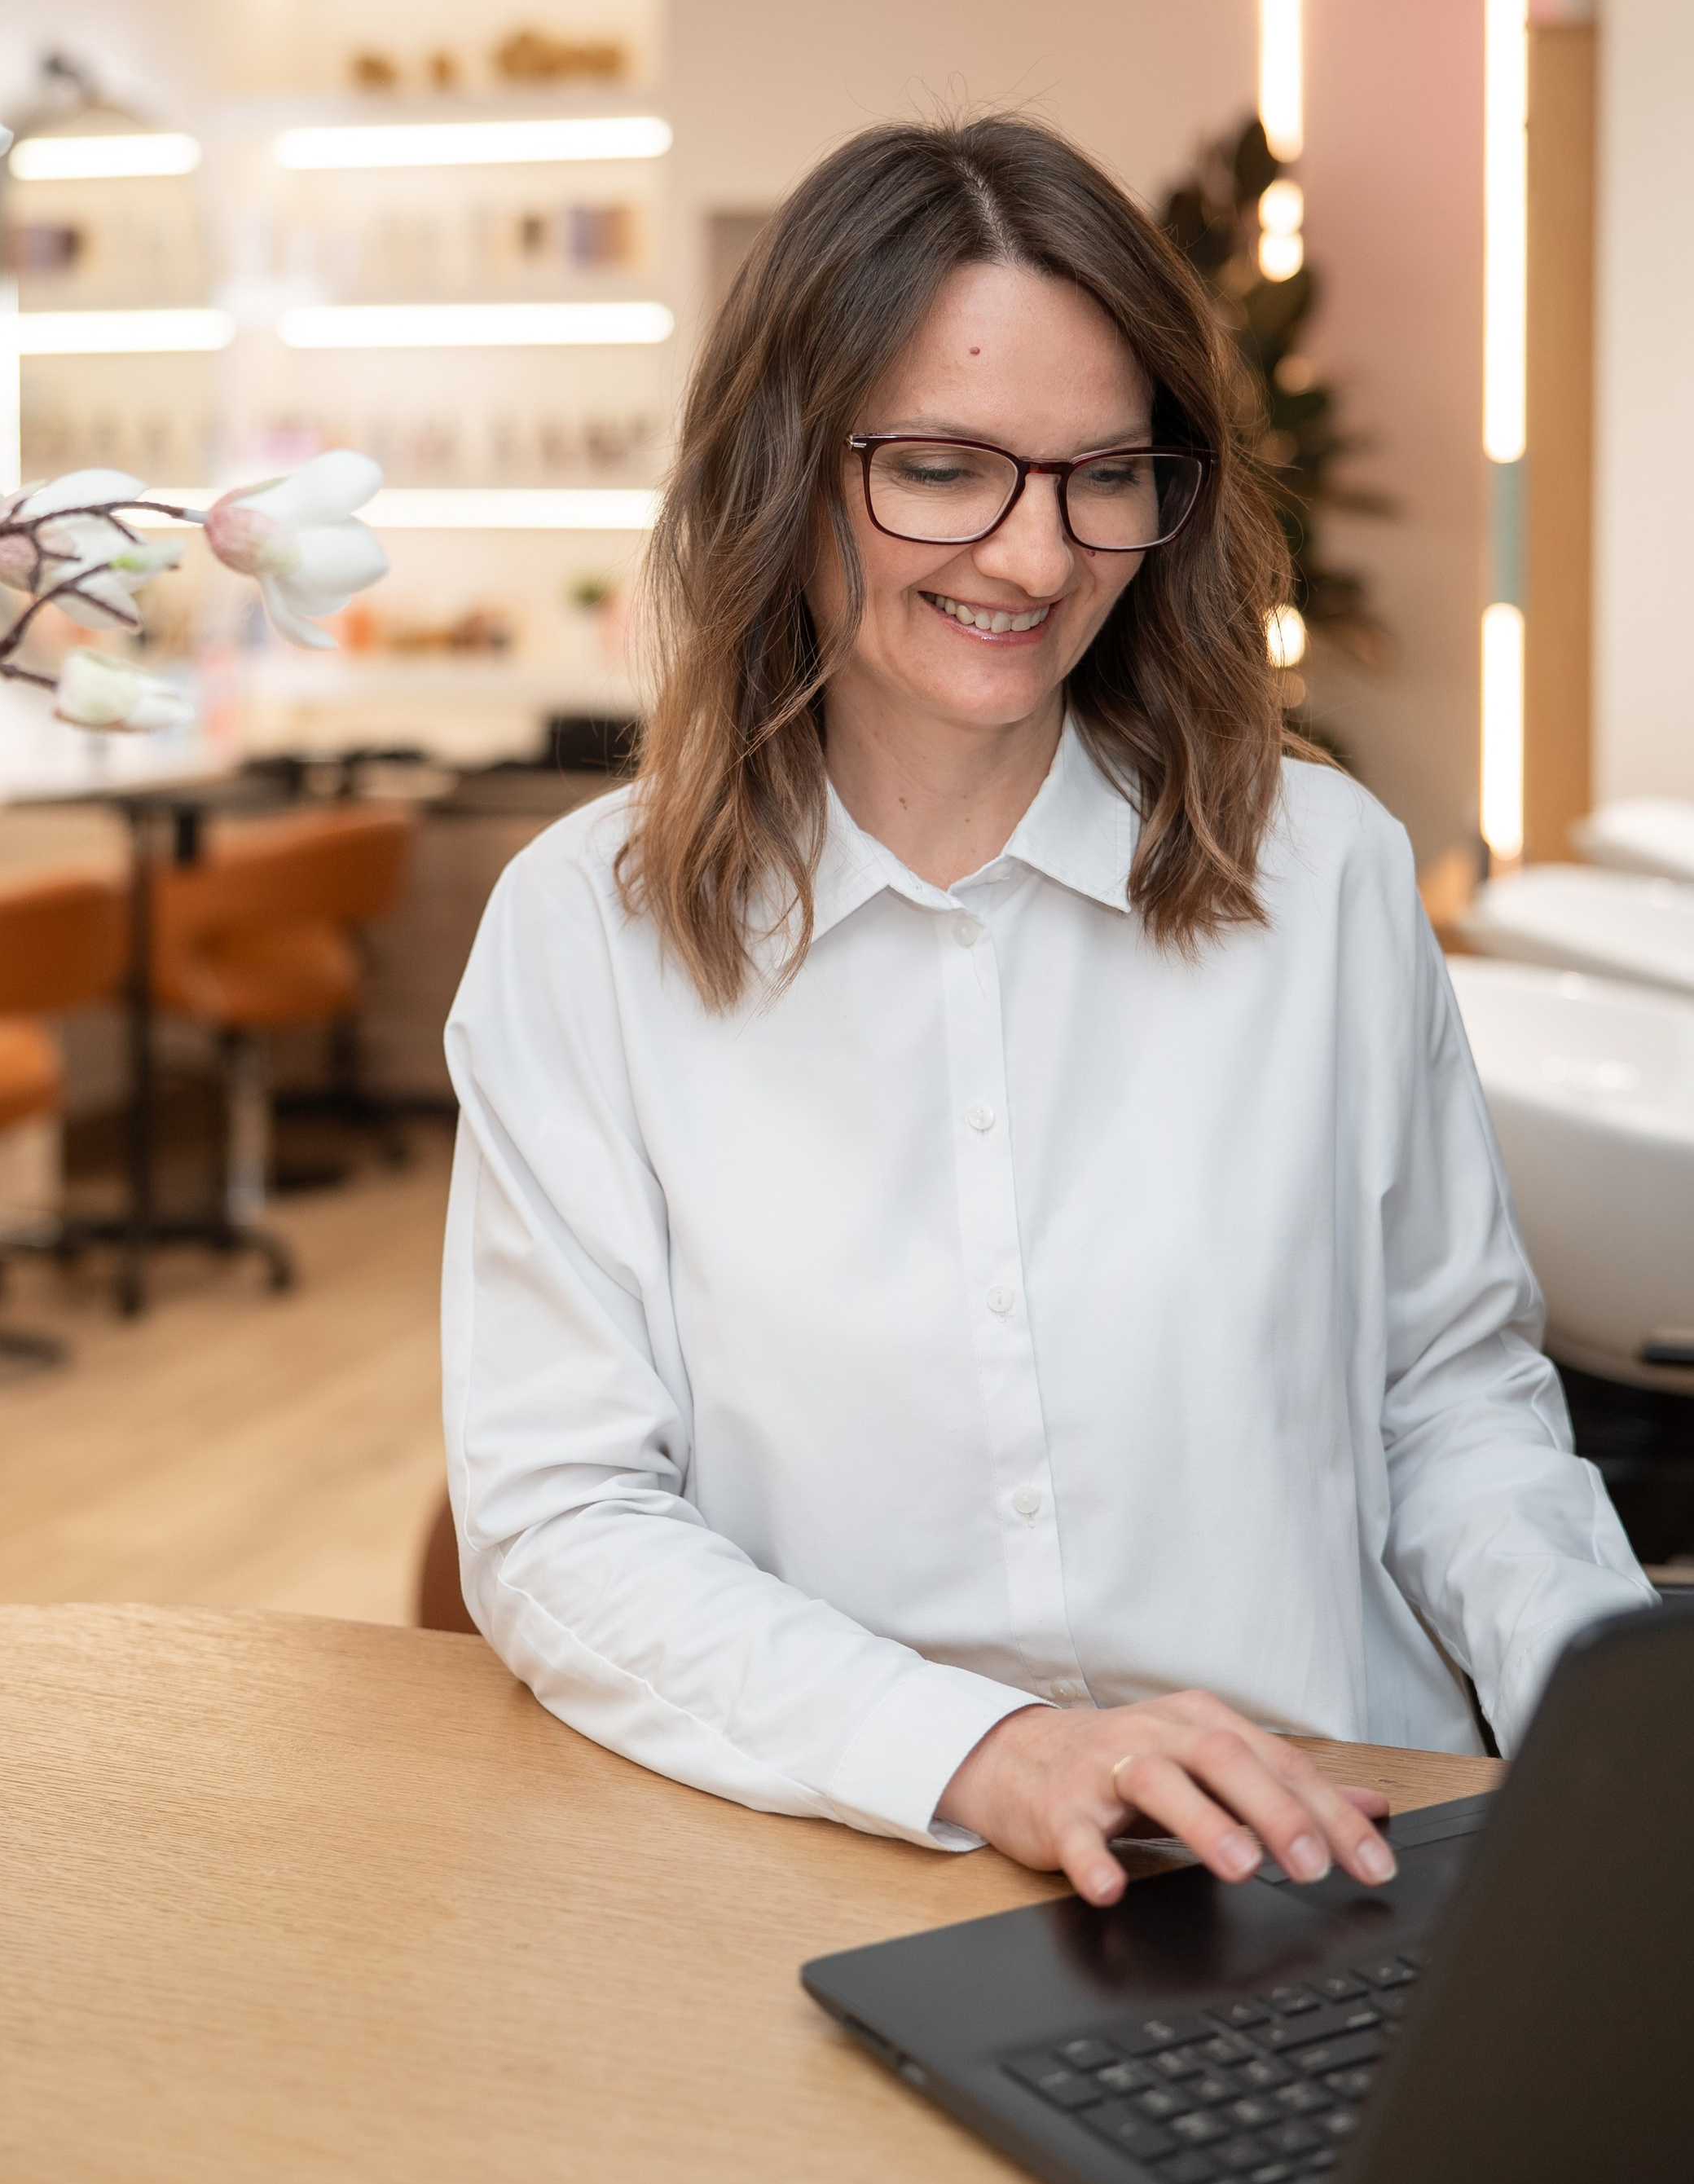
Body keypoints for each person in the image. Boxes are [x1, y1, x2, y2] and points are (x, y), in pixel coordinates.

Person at [441, 117, 1649, 1906]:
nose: (1031, 558)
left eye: (1101, 474)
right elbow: (562, 1525)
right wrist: (982, 1752)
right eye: (939, 467)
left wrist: (1615, 1744)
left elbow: (1447, 1397)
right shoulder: (580, 933)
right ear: (778, 469)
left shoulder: (1312, 872)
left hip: (1330, 1849)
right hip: (852, 1859)